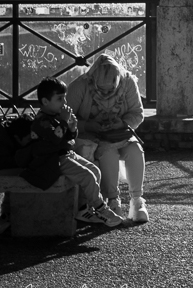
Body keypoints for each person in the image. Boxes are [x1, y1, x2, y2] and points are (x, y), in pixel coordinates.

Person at [30, 78, 124, 227]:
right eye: (59, 98)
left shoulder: (56, 116)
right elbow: (55, 140)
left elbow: (67, 139)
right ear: (45, 101)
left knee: (94, 170)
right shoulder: (42, 121)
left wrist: (72, 128)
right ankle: (100, 208)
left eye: (64, 97)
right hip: (52, 160)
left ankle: (84, 208)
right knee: (87, 176)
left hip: (64, 155)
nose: (64, 102)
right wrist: (63, 122)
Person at [67, 54, 149, 225]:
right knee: (107, 152)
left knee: (135, 150)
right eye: (101, 89)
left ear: (118, 80)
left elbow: (137, 113)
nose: (105, 93)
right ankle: (113, 200)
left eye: (110, 89)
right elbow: (65, 118)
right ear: (93, 80)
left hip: (120, 133)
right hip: (91, 137)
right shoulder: (79, 86)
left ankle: (137, 200)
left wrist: (122, 123)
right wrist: (88, 125)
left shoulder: (128, 83)